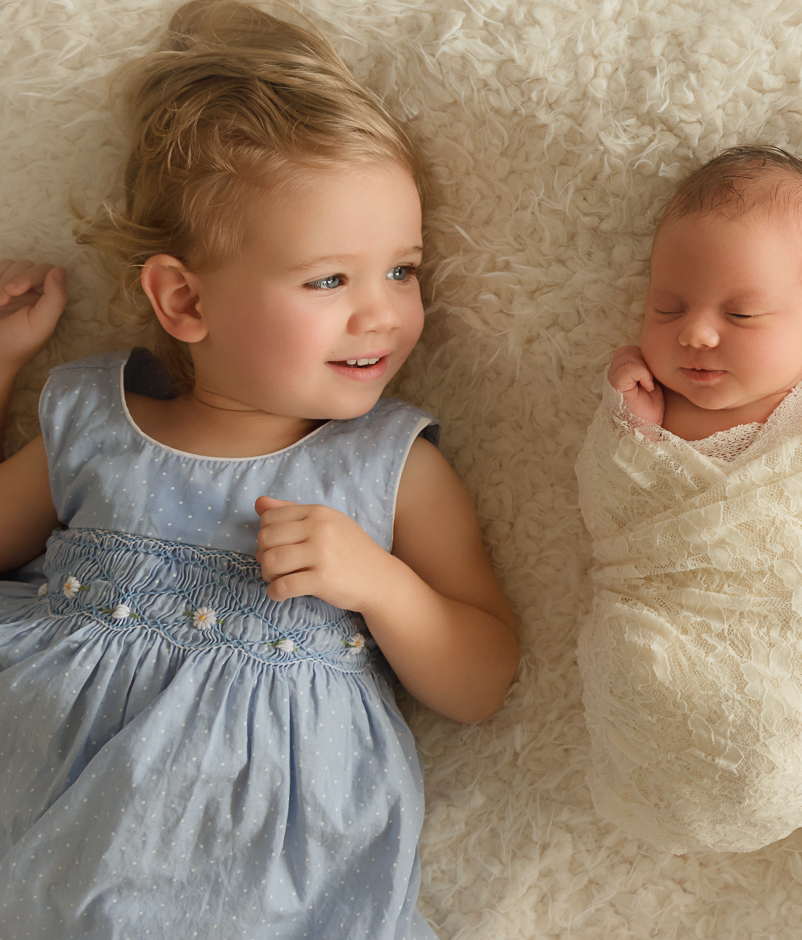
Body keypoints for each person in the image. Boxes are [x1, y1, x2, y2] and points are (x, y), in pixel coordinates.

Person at [0, 2, 518, 936]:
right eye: (330, 280)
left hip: (267, 895)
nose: (383, 314)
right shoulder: (95, 425)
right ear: (185, 298)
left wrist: (383, 585)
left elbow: (481, 682)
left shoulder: (390, 469)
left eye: (402, 270)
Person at [576, 146, 802, 854]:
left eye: (742, 314)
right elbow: (612, 504)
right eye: (667, 307)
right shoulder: (651, 405)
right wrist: (629, 429)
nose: (697, 333)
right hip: (675, 655)